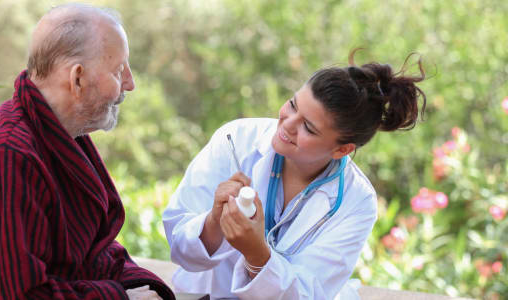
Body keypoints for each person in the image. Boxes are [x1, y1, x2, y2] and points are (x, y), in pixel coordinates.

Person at [0, 4, 173, 300]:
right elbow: (22, 295)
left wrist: (145, 285)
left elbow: (96, 249)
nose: (130, 83)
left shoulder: (63, 136)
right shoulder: (4, 157)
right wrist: (120, 297)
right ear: (77, 79)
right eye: (118, 70)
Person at [163, 50, 427, 299]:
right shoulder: (236, 141)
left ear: (342, 149)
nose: (287, 125)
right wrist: (213, 223)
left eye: (309, 128)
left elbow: (308, 293)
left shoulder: (356, 202)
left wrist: (258, 256)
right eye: (292, 105)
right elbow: (179, 248)